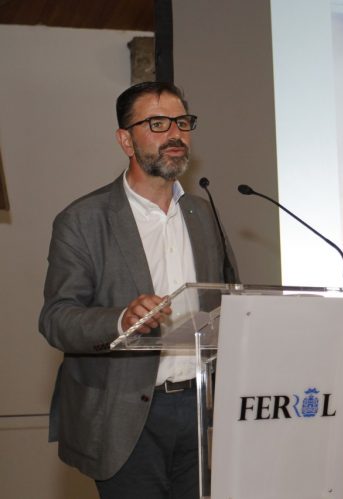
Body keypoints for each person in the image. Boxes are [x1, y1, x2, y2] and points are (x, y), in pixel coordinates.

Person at [39, 81, 235, 498]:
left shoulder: (202, 214)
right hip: (123, 414)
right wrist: (120, 319)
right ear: (125, 140)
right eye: (158, 123)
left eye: (182, 122)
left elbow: (222, 304)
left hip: (198, 411)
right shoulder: (84, 220)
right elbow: (56, 319)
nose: (176, 134)